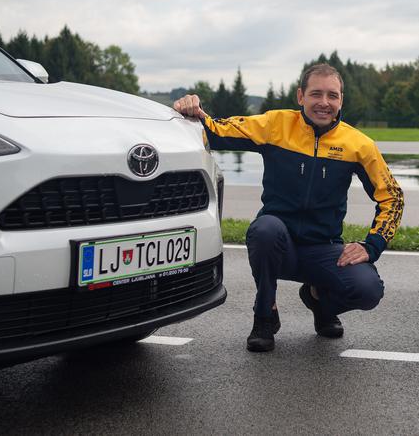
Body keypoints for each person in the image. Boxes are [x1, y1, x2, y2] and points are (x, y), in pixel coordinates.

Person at [172, 63, 404, 352]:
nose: (324, 102)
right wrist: (190, 110)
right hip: (278, 245)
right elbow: (214, 130)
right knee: (265, 229)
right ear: (300, 96)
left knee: (369, 290)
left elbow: (392, 196)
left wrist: (372, 246)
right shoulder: (275, 125)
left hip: (324, 249)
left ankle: (320, 301)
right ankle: (265, 315)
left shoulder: (359, 145)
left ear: (341, 100)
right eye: (315, 94)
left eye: (332, 95)